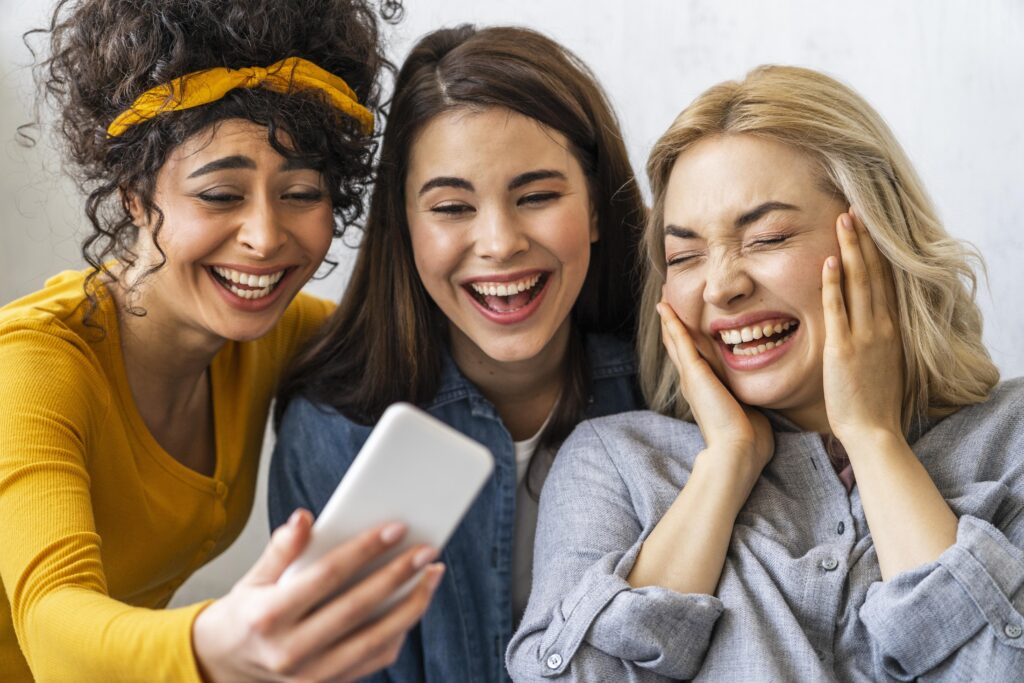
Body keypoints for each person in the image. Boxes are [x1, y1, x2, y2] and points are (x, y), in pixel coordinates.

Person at [508, 65, 1023, 681]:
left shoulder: (1012, 438)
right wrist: (725, 463)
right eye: (685, 255)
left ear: (880, 240)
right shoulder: (614, 462)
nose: (723, 286)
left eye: (768, 237)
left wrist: (874, 439)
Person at [0, 1, 445, 681]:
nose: (265, 237)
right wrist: (217, 641)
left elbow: (416, 337)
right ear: (134, 195)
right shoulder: (32, 368)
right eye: (219, 195)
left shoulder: (271, 333)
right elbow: (53, 631)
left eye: (300, 192)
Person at [269, 24, 647, 682]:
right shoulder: (334, 433)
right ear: (406, 226)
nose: (498, 242)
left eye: (537, 196)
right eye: (451, 206)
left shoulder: (668, 391)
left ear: (593, 208)